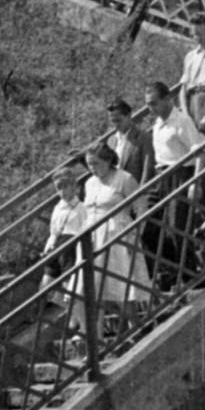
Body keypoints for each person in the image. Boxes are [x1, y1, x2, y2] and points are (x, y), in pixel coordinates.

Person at [82, 142, 151, 338]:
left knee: (121, 282)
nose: (92, 168)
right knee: (94, 284)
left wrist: (135, 234)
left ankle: (134, 326)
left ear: (108, 160)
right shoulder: (90, 183)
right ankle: (97, 335)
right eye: (89, 164)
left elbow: (142, 207)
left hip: (117, 233)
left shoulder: (124, 179)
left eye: (96, 163)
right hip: (93, 236)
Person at [144, 80, 203, 285]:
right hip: (161, 176)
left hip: (180, 173)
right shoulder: (158, 124)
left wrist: (195, 182)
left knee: (178, 226)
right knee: (147, 225)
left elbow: (199, 152)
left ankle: (189, 275)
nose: (151, 108)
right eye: (148, 105)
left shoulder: (182, 121)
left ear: (168, 99)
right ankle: (172, 265)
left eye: (154, 103)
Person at [41, 164, 88, 342]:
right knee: (46, 288)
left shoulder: (81, 208)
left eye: (66, 187)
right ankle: (72, 313)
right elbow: (54, 231)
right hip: (57, 247)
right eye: (58, 188)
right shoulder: (58, 208)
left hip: (72, 248)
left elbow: (85, 230)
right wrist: (48, 247)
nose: (62, 192)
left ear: (75, 187)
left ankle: (84, 327)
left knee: (71, 289)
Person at [105, 97, 154, 185]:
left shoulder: (143, 137)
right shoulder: (111, 141)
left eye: (118, 120)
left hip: (134, 189)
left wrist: (141, 191)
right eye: (112, 121)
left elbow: (148, 171)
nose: (115, 125)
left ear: (128, 116)